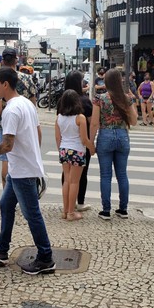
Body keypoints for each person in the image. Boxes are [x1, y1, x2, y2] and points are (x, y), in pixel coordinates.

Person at [0, 67, 56, 275]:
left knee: (32, 214)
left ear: (5, 85)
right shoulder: (27, 103)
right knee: (6, 205)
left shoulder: (11, 110)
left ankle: (46, 257)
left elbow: (6, 146)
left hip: (23, 171)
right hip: (19, 168)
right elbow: (36, 132)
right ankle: (1, 249)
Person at [0, 48, 38, 207]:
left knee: (6, 158)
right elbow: (33, 102)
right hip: (26, 124)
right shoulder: (27, 78)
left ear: (3, 60)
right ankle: (11, 199)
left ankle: (8, 198)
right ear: (16, 60)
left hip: (8, 124)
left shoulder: (0, 80)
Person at [89, 68, 138, 220]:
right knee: (122, 174)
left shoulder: (100, 99)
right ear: (120, 81)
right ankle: (123, 209)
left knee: (105, 175)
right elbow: (134, 121)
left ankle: (106, 211)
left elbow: (94, 123)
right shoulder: (126, 98)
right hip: (123, 136)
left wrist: (91, 142)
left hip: (106, 136)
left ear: (106, 82)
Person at [56, 90, 95, 221]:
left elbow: (58, 138)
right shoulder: (80, 118)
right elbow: (84, 139)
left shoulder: (59, 117)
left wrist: (61, 150)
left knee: (66, 180)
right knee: (74, 182)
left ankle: (65, 210)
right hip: (77, 150)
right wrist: (92, 148)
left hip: (64, 150)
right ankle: (71, 213)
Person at [63, 71, 93, 212]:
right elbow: (91, 123)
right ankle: (78, 203)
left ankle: (67, 206)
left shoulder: (62, 101)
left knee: (67, 176)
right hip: (81, 144)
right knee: (81, 175)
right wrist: (91, 144)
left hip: (65, 144)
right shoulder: (85, 101)